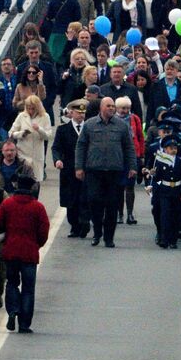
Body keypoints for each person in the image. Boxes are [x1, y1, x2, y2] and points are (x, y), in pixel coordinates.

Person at [75, 96, 137, 248]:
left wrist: (132, 167)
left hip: (114, 171)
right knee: (95, 202)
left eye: (112, 106)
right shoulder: (90, 124)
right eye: (108, 106)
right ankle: (97, 233)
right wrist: (79, 167)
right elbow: (81, 146)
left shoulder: (122, 126)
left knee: (112, 205)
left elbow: (129, 147)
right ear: (101, 108)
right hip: (94, 171)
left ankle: (109, 237)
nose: (111, 108)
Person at [0, 175, 49, 333]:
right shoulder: (38, 207)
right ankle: (24, 323)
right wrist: (36, 244)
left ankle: (12, 310)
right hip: (29, 253)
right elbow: (44, 231)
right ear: (31, 188)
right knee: (28, 289)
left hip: (11, 251)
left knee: (11, 283)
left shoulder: (7, 204)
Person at [51, 99, 88, 237]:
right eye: (78, 112)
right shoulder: (63, 130)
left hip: (86, 169)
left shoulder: (89, 128)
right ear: (71, 113)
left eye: (83, 113)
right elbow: (56, 147)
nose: (81, 115)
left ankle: (84, 222)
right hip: (68, 170)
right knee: (71, 199)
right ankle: (74, 226)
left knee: (84, 197)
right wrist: (58, 160)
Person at [9, 94, 53, 180]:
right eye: (28, 108)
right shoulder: (21, 116)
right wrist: (21, 134)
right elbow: (11, 133)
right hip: (23, 153)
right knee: (23, 179)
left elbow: (48, 136)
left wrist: (39, 129)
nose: (30, 111)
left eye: (33, 108)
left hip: (37, 154)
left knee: (36, 181)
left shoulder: (45, 116)